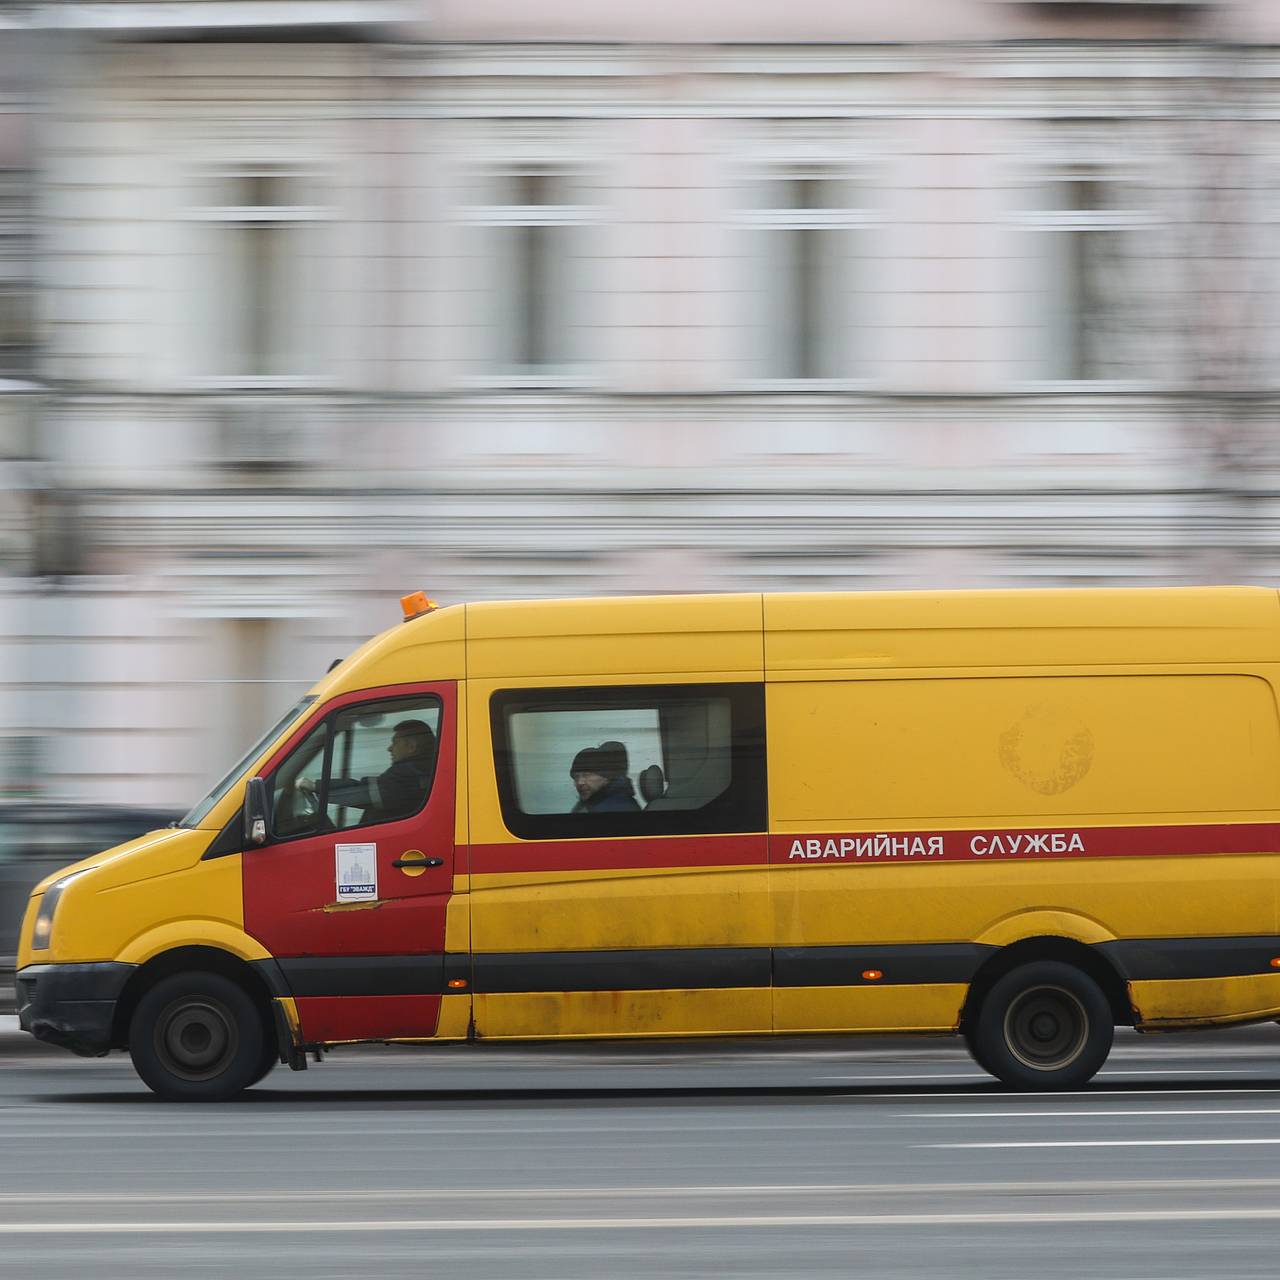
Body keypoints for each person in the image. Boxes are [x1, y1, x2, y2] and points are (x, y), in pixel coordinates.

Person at [300, 719, 436, 824]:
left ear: (411, 747)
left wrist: (316, 787)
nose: (389, 748)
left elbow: (365, 792)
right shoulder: (423, 771)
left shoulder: (406, 775)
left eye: (395, 743)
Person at [569, 740, 640, 813]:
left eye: (586, 775)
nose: (580, 782)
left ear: (606, 777)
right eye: (576, 777)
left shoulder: (618, 807)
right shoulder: (593, 802)